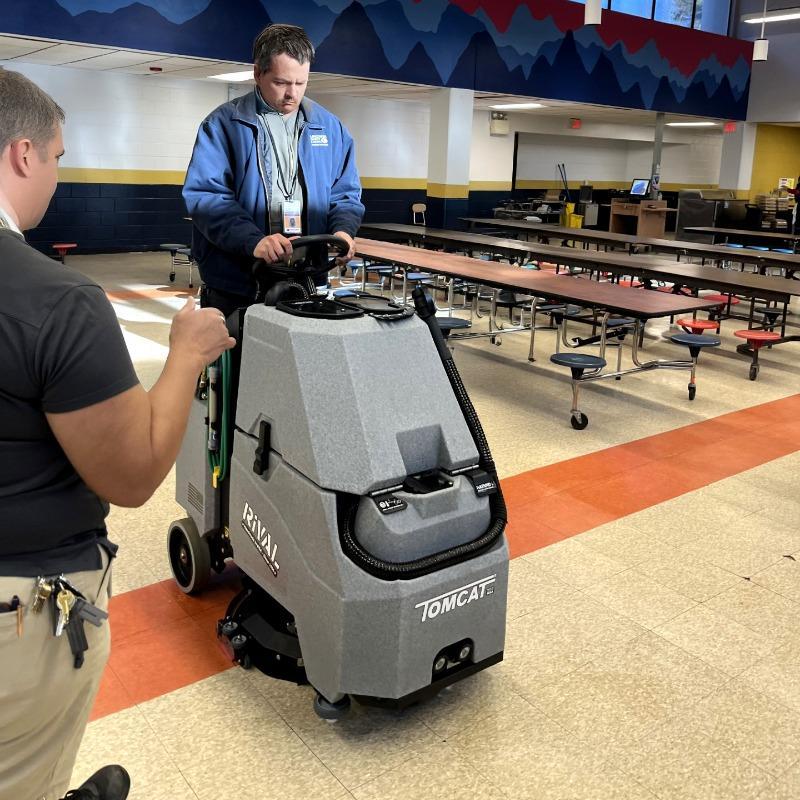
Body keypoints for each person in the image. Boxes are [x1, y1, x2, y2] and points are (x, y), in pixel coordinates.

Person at [0, 71, 235, 800]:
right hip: (22, 611)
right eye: (61, 157)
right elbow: (131, 476)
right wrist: (187, 354)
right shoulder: (56, 300)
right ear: (22, 154)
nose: (59, 173)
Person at [183, 23, 365, 317]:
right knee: (243, 360)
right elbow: (207, 197)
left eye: (301, 83)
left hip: (306, 279)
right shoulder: (223, 126)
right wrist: (253, 240)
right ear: (258, 73)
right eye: (281, 82)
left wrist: (343, 230)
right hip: (238, 283)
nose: (292, 93)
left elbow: (346, 193)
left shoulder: (330, 129)